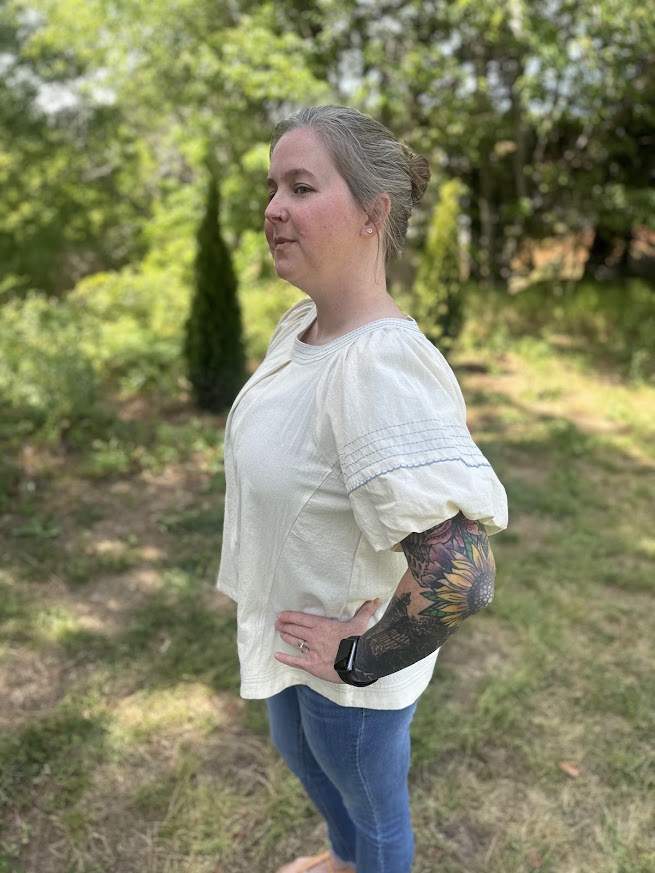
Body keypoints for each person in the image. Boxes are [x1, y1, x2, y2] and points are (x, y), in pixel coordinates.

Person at [217, 105, 508, 873]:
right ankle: (343, 860)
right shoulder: (301, 327)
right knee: (306, 759)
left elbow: (460, 575)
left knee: (375, 811)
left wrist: (363, 654)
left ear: (373, 213)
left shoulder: (378, 368)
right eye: (272, 186)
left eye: (302, 186)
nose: (274, 208)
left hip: (347, 677)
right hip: (292, 628)